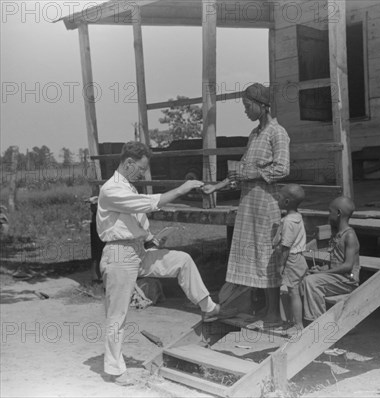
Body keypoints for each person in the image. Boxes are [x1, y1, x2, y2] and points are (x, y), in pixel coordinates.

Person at [97, 141, 220, 386]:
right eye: (141, 168)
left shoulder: (128, 188)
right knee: (117, 315)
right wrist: (182, 189)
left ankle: (208, 307)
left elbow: (135, 223)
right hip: (118, 255)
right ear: (128, 162)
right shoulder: (111, 189)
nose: (143, 173)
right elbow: (148, 203)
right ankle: (114, 369)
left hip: (137, 251)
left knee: (182, 260)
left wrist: (152, 237)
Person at [203, 83, 290, 326]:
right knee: (252, 256)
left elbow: (283, 168)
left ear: (262, 106)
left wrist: (253, 175)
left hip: (266, 204)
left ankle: (273, 313)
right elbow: (241, 171)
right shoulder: (254, 135)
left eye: (248, 106)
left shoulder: (277, 132)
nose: (245, 111)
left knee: (267, 255)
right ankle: (257, 307)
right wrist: (216, 187)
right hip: (248, 204)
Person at [300, 196, 360, 323]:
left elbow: (347, 266)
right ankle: (310, 321)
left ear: (338, 213)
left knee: (312, 282)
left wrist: (321, 274)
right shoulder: (337, 234)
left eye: (329, 211)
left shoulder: (349, 235)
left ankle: (318, 323)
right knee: (306, 277)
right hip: (338, 278)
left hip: (347, 281)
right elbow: (336, 263)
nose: (328, 215)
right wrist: (321, 269)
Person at [273, 184, 308, 334]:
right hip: (298, 258)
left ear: (286, 202)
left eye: (279, 198)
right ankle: (291, 321)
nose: (277, 200)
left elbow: (286, 247)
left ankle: (298, 325)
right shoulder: (296, 217)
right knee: (292, 291)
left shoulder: (288, 222)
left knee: (293, 292)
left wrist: (280, 265)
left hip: (291, 259)